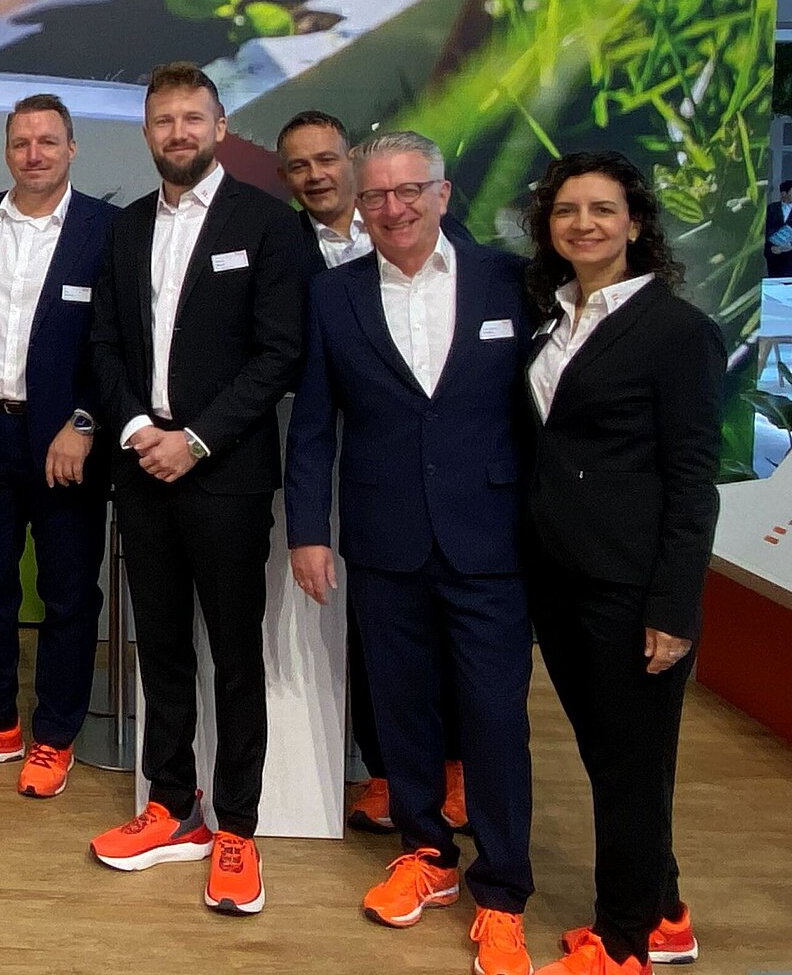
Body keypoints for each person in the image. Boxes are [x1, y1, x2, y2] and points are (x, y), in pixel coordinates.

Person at [283, 131, 537, 975]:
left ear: (442, 192)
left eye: (408, 191)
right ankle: (426, 854)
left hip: (490, 540)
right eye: (376, 196)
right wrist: (309, 531)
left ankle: (503, 890)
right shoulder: (335, 294)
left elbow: (541, 413)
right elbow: (313, 425)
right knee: (402, 709)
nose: (392, 209)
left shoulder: (510, 281)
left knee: (494, 718)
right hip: (383, 536)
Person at [85, 62, 310, 915]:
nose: (177, 133)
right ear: (146, 132)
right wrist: (138, 432)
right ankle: (172, 805)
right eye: (163, 121)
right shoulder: (126, 227)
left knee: (235, 655)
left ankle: (237, 828)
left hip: (226, 477)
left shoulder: (268, 224)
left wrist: (198, 440)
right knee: (162, 648)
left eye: (192, 118)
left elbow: (279, 353)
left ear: (219, 127)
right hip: (143, 469)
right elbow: (104, 344)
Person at [522, 151, 719, 975]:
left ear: (635, 223)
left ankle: (624, 941)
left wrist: (673, 607)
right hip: (560, 578)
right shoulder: (552, 316)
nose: (584, 224)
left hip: (631, 588)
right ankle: (664, 914)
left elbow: (693, 480)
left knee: (632, 767)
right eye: (567, 210)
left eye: (602, 209)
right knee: (613, 759)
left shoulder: (676, 331)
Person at [274, 109, 469, 834]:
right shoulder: (280, 246)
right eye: (299, 166)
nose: (315, 175)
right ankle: (387, 772)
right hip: (339, 459)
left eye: (326, 159)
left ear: (352, 162)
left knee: (450, 632)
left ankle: (457, 771)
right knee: (369, 629)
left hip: (438, 471)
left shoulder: (448, 243)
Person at [0, 94, 116, 798]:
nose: (33, 154)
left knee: (67, 593)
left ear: (72, 148)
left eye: (47, 141)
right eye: (20, 143)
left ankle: (55, 735)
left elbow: (117, 340)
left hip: (66, 439)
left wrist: (86, 421)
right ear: (6, 151)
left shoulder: (105, 228)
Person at [765, 179, 792, 278]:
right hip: (775, 255)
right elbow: (767, 229)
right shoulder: (772, 208)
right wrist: (771, 247)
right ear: (784, 193)